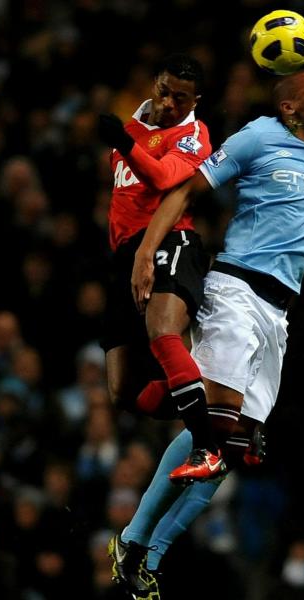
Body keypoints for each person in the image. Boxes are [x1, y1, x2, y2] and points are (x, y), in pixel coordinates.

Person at [110, 68, 304, 599]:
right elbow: (186, 188)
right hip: (236, 288)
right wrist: (147, 250)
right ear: (288, 107)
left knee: (230, 452)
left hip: (279, 314)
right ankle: (136, 535)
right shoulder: (260, 135)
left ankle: (142, 549)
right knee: (213, 433)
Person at [97, 54, 224, 477]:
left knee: (163, 332)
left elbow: (164, 177)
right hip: (122, 256)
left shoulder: (194, 134)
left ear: (196, 102)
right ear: (155, 84)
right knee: (123, 390)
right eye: (165, 92)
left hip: (170, 241)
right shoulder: (133, 126)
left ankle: (208, 445)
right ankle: (222, 407)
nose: (170, 103)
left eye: (182, 98)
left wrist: (123, 143)